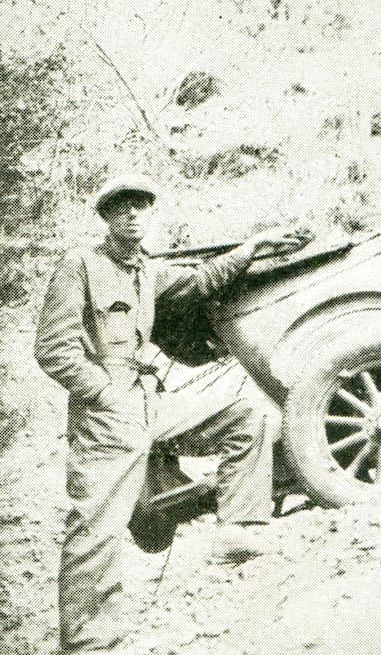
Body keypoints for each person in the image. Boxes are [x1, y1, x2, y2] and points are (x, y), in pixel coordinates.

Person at [34, 174, 305, 654]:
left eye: (141, 205)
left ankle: (237, 530)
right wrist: (105, 393)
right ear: (105, 217)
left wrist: (253, 247)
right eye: (121, 208)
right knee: (95, 527)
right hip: (103, 417)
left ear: (151, 213)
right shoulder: (80, 265)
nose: (132, 214)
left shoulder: (147, 270)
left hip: (149, 402)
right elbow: (54, 349)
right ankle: (88, 643)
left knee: (245, 416)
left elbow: (201, 280)